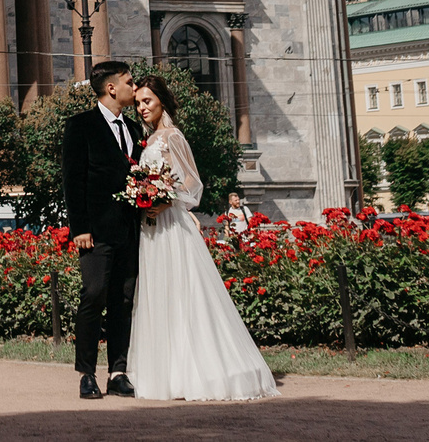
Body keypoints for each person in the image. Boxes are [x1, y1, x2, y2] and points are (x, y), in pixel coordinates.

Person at [128, 73, 276, 402]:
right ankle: (166, 374)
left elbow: (192, 184)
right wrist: (142, 196)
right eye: (138, 103)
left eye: (147, 101)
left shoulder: (172, 136)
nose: (141, 108)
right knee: (159, 296)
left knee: (183, 294)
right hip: (151, 229)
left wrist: (165, 199)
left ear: (161, 100)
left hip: (171, 226)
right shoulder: (148, 141)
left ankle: (198, 370)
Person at [60, 59, 144, 400]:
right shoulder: (80, 126)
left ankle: (118, 372)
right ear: (111, 88)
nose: (134, 88)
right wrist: (79, 227)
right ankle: (86, 374)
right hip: (94, 232)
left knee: (123, 301)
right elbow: (72, 180)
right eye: (129, 82)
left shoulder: (135, 130)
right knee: (93, 296)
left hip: (130, 231)